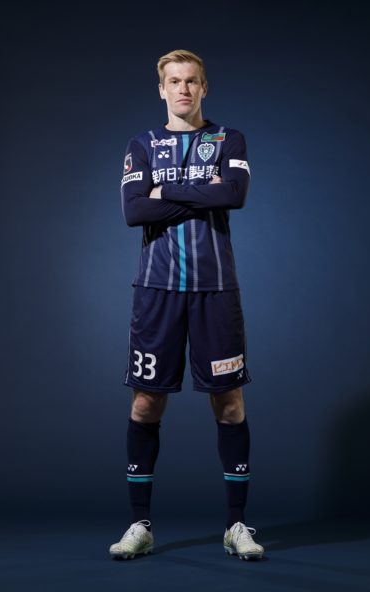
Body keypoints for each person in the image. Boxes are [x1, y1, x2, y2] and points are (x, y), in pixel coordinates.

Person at [109, 49, 264, 561]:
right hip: (156, 291)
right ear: (161, 89)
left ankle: (237, 525)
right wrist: (201, 188)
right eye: (174, 81)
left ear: (204, 88)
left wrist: (165, 189)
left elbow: (234, 195)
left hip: (215, 290)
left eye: (191, 81)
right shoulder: (141, 145)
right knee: (145, 403)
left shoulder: (229, 139)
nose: (183, 89)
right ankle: (140, 524)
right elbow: (134, 211)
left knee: (230, 403)